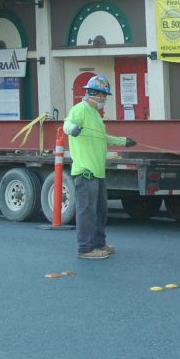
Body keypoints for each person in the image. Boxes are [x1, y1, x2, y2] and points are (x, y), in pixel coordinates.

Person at [63, 75, 136, 260]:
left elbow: (102, 138)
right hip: (85, 170)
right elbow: (67, 124)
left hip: (97, 170)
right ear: (94, 93)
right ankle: (85, 249)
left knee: (100, 210)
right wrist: (73, 129)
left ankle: (99, 243)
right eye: (103, 95)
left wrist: (124, 142)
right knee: (86, 211)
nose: (105, 99)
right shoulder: (80, 109)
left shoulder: (95, 114)